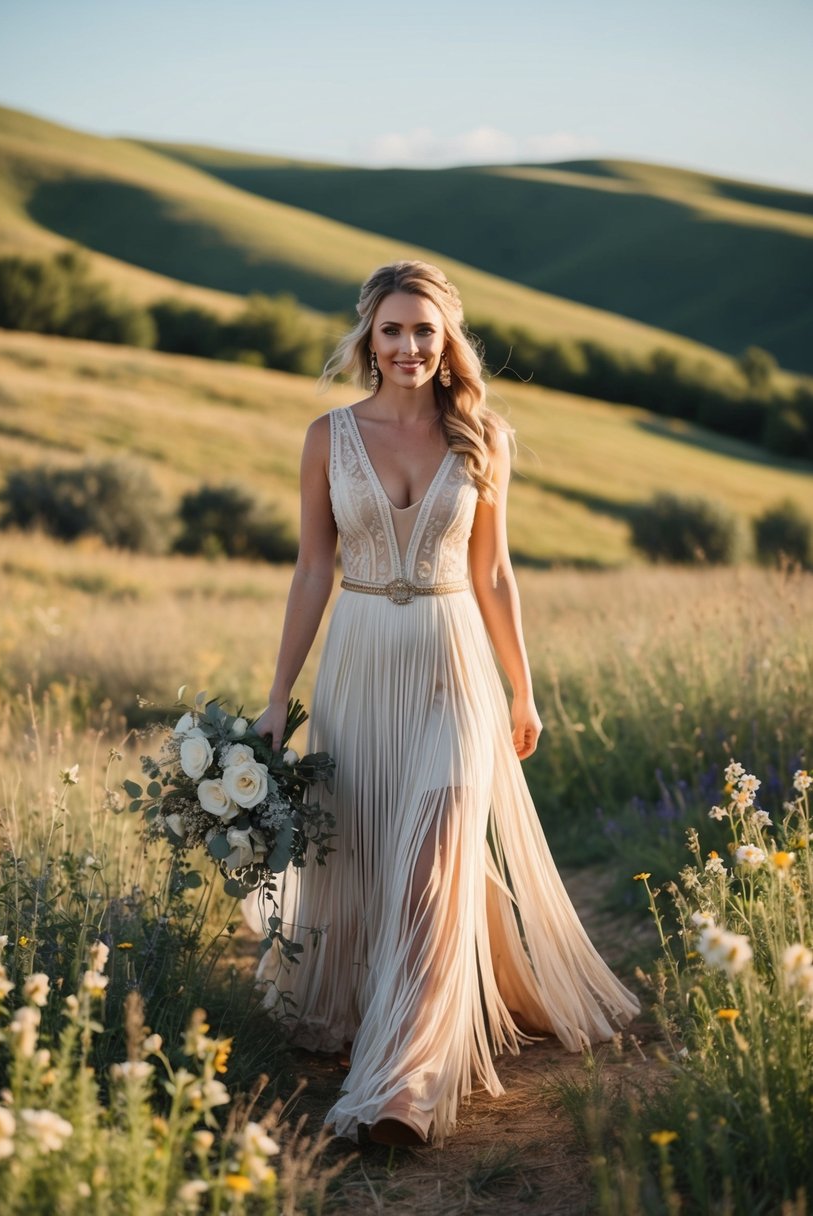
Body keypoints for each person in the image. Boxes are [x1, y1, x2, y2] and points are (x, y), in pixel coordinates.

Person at [247, 260, 640, 1148]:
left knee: (434, 854)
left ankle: (404, 1088)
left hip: (452, 664)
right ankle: (411, 1007)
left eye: (426, 330)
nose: (409, 347)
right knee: (365, 850)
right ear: (368, 339)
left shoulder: (482, 436)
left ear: (448, 340)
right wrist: (277, 697)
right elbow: (312, 568)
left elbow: (493, 570)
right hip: (356, 661)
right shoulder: (326, 437)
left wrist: (522, 685)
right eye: (392, 330)